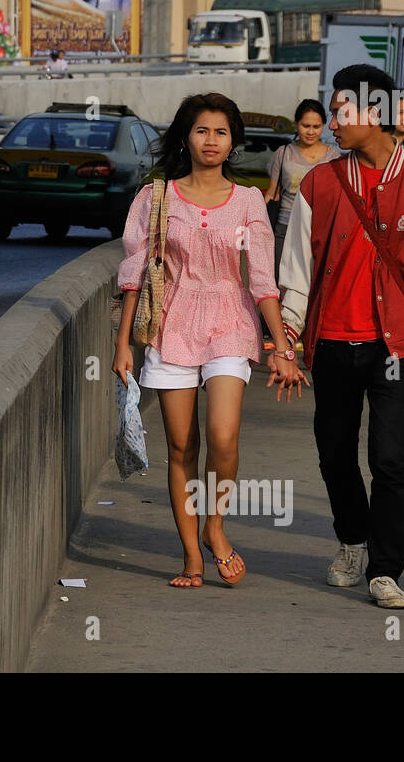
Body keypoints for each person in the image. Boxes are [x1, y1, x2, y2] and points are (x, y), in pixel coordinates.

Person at [279, 64, 404, 609]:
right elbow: (297, 271)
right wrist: (286, 344)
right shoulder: (318, 183)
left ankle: (386, 570)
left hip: (397, 346)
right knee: (334, 452)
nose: (331, 121)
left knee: (390, 459)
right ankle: (352, 539)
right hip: (333, 342)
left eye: (342, 111)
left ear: (376, 114)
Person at [112, 92, 308, 590]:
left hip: (230, 323)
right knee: (182, 447)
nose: (211, 140)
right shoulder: (156, 197)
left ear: (233, 141)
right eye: (202, 130)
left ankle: (215, 528)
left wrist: (283, 346)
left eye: (221, 132)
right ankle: (191, 557)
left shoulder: (247, 201)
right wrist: (122, 345)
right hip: (171, 326)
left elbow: (263, 282)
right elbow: (135, 273)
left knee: (222, 438)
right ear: (186, 135)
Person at [264, 99, 340, 275]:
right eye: (306, 125)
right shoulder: (283, 153)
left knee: (313, 283)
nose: (311, 131)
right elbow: (272, 193)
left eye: (316, 126)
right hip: (285, 226)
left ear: (323, 126)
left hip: (319, 230)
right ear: (296, 124)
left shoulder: (333, 157)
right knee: (280, 280)